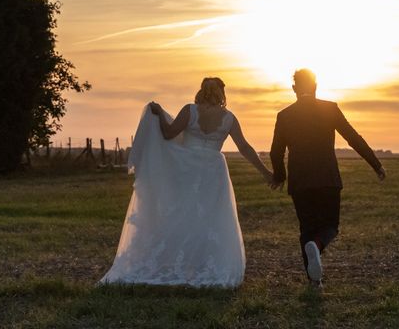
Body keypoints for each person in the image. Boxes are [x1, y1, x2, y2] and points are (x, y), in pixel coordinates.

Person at [100, 77, 273, 288]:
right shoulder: (228, 118)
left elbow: (168, 133)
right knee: (211, 217)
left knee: (182, 213)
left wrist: (159, 114)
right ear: (221, 93)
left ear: (202, 90)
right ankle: (205, 264)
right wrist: (266, 173)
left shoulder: (190, 111)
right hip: (213, 170)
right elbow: (245, 148)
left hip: (187, 168)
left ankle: (177, 260)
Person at [269, 69, 386, 288]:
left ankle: (315, 281)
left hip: (300, 181)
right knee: (330, 225)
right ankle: (318, 245)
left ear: (294, 89)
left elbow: (276, 152)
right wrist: (376, 164)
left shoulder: (284, 115)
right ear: (315, 86)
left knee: (306, 228)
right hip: (327, 178)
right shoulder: (330, 109)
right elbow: (353, 138)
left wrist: (280, 176)